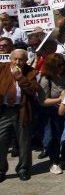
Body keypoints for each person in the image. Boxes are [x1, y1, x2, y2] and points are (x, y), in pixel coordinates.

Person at [0, 49, 40, 182]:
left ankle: (23, 169)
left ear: (26, 60)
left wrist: (20, 77)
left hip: (22, 110)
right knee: (2, 141)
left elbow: (33, 89)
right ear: (10, 59)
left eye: (21, 59)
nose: (18, 62)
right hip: (4, 111)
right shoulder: (3, 68)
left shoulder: (31, 72)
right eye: (15, 59)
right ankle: (1, 169)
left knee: (24, 142)